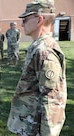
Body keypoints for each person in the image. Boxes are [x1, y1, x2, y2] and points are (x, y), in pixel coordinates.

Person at [7, 0, 67, 136]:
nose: (22, 24)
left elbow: (52, 99)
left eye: (26, 19)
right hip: (29, 124)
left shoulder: (44, 51)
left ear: (39, 19)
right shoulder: (38, 48)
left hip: (35, 128)